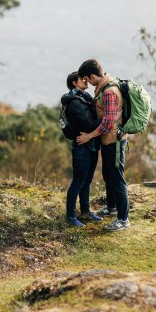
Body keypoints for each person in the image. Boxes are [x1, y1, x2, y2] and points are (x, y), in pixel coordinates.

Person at [76, 59, 130, 232]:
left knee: (117, 178)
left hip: (114, 141)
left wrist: (89, 136)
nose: (87, 83)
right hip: (108, 140)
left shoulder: (109, 92)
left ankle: (123, 219)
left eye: (87, 80)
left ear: (92, 76)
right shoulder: (104, 88)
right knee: (108, 175)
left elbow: (107, 124)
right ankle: (112, 207)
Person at [61, 71, 103, 227]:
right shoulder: (75, 102)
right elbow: (89, 124)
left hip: (91, 145)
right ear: (74, 83)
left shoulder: (84, 98)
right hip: (81, 147)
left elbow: (91, 123)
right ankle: (70, 216)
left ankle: (85, 211)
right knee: (78, 182)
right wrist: (106, 119)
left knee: (87, 182)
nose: (86, 81)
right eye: (81, 79)